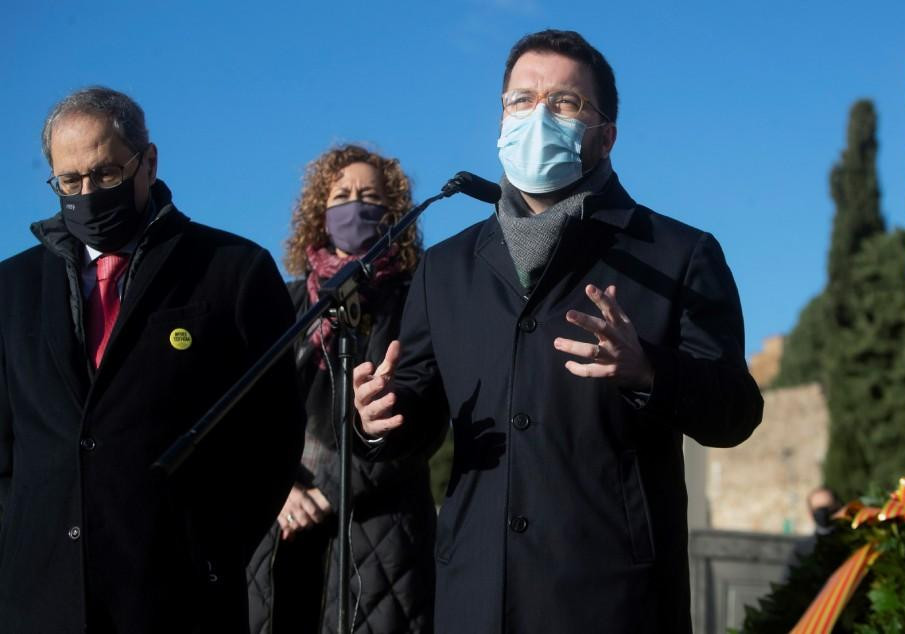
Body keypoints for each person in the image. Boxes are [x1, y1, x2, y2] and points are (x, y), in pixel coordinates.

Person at [352, 29, 763, 632]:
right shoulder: (445, 268)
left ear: (606, 135)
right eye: (521, 100)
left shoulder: (677, 253)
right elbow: (417, 407)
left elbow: (735, 411)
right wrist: (381, 416)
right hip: (476, 595)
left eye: (564, 103)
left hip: (612, 597)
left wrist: (649, 371)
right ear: (499, 118)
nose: (538, 115)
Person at [0, 87, 305, 633]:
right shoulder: (11, 288)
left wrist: (210, 548)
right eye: (70, 182)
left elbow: (273, 434)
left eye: (107, 174)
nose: (88, 194)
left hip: (181, 598)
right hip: (40, 601)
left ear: (149, 162)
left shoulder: (232, 271)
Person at [247, 144, 441, 634]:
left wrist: (334, 490)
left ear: (392, 212)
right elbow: (250, 414)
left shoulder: (416, 296)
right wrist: (280, 491)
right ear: (320, 210)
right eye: (341, 194)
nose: (354, 205)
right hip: (282, 530)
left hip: (378, 536)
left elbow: (424, 414)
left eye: (370, 195)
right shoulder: (286, 301)